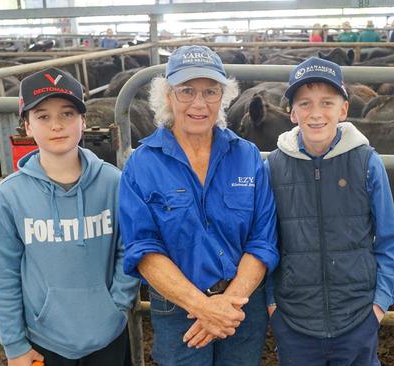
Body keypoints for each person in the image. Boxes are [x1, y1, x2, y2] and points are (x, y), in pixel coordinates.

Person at [119, 45, 279, 365]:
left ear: (224, 97)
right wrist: (203, 307)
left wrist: (227, 305)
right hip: (179, 308)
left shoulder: (246, 156)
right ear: (167, 96)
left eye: (210, 91)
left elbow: (262, 240)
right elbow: (144, 249)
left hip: (241, 306)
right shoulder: (142, 164)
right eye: (186, 91)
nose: (199, 103)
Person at [0, 67, 140, 366]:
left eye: (67, 114)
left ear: (83, 121)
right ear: (27, 126)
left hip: (107, 333)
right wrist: (15, 345)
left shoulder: (114, 182)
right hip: (45, 338)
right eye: (43, 116)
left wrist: (117, 307)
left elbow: (130, 250)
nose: (56, 125)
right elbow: (5, 274)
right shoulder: (10, 194)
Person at [266, 56, 394, 365]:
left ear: (343, 109)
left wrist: (378, 307)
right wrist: (273, 306)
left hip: (357, 319)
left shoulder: (367, 163)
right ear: (291, 112)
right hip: (294, 322)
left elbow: (389, 241)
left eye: (327, 103)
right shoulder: (272, 168)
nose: (316, 114)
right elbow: (265, 243)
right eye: (304, 104)